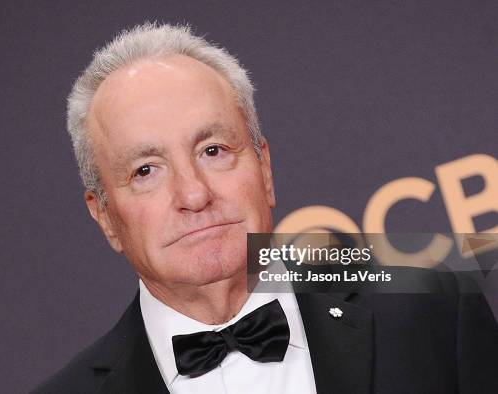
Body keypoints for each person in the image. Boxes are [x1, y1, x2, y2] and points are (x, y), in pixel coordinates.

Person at [32, 23, 498, 394]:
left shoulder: (432, 313)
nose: (194, 195)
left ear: (265, 168)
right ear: (106, 218)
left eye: (213, 150)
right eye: (146, 171)